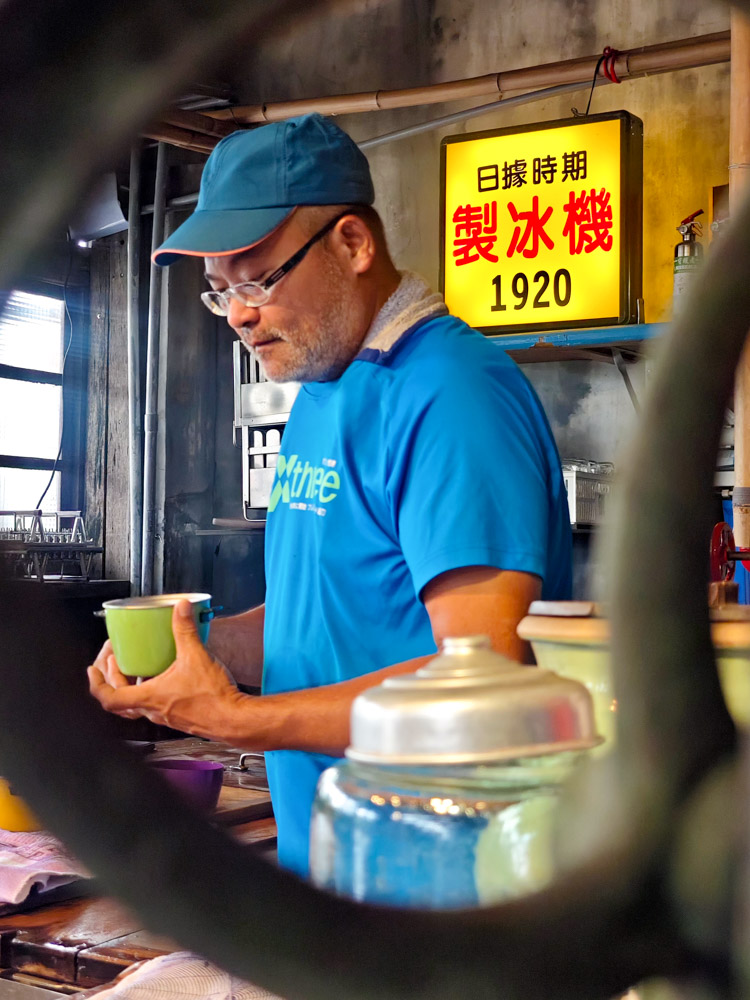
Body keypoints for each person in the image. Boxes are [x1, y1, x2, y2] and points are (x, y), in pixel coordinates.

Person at [89, 113, 572, 877]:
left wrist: (242, 721)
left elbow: (487, 676)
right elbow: (323, 616)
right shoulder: (323, 383)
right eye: (221, 294)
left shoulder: (450, 395)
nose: (241, 316)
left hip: (444, 878)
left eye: (257, 279)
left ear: (352, 243)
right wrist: (192, 655)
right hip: (339, 868)